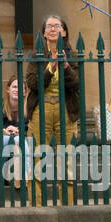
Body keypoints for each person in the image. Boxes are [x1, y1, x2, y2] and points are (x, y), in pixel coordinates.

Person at [24, 14, 80, 147]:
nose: (53, 29)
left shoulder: (73, 56)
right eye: (49, 26)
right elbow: (32, 83)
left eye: (57, 26)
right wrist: (50, 71)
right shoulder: (37, 54)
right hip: (41, 106)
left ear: (64, 32)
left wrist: (66, 67)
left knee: (66, 155)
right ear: (44, 33)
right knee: (39, 154)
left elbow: (77, 83)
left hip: (66, 107)